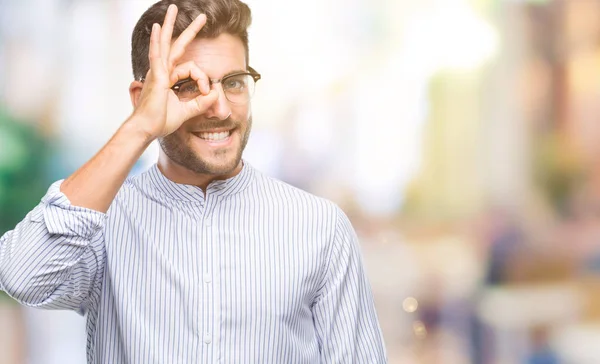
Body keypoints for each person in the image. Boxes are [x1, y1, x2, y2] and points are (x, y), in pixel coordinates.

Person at [0, 0, 387, 362]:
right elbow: (20, 276)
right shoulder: (101, 224)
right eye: (189, 85)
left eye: (233, 82)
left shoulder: (320, 227)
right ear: (143, 98)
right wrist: (140, 129)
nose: (217, 107)